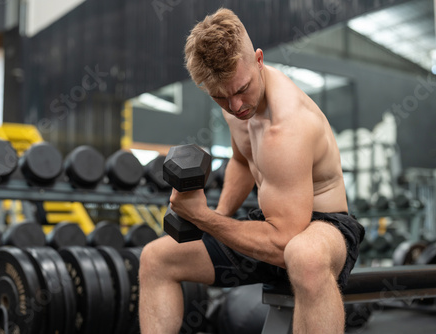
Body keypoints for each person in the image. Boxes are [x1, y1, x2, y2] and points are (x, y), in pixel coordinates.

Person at [139, 8, 365, 334]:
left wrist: (206, 219)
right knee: (156, 258)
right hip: (273, 225)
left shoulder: (287, 127)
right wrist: (219, 214)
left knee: (305, 256)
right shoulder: (236, 106)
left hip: (323, 227)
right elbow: (242, 161)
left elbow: (285, 241)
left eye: (242, 89)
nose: (235, 106)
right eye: (220, 96)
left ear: (258, 59)